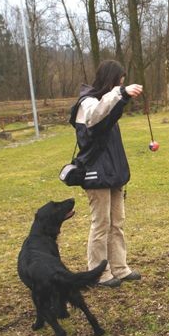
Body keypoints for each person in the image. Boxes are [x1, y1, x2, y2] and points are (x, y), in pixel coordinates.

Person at [69, 59, 143, 287]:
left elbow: (109, 112)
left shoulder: (108, 102)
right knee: (101, 224)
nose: (121, 83)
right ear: (111, 80)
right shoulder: (88, 103)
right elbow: (95, 116)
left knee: (117, 223)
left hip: (113, 174)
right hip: (95, 174)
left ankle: (119, 268)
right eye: (119, 80)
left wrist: (122, 97)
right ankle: (98, 273)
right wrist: (120, 92)